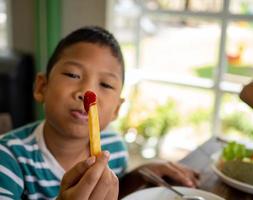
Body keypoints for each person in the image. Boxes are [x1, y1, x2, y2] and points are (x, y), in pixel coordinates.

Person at [0, 26, 199, 199]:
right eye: (73, 74)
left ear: (116, 110)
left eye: (105, 84)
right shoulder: (8, 159)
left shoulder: (114, 147)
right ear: (42, 87)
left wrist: (140, 174)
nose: (88, 93)